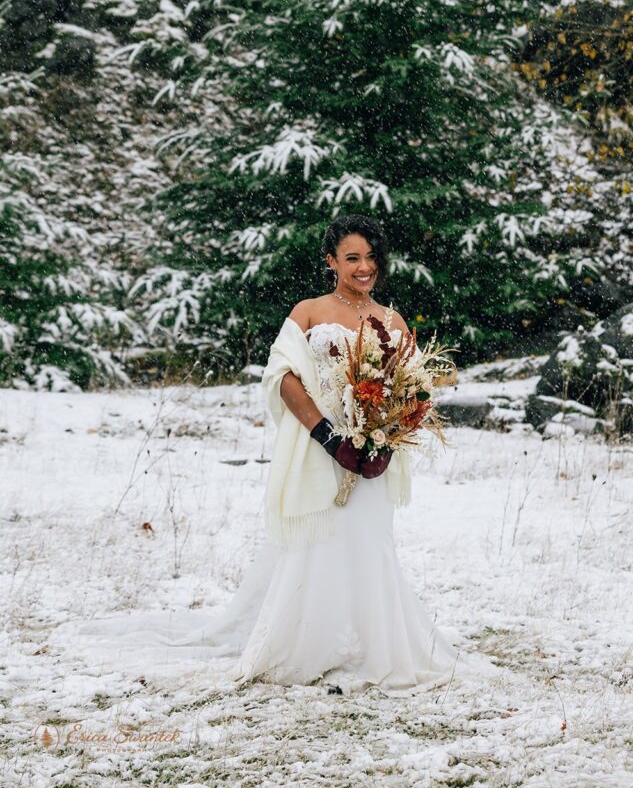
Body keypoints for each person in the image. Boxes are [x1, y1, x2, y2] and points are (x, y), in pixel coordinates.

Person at [49, 213, 463, 694]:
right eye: (352, 257)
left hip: (370, 455)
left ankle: (373, 644)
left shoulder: (392, 321)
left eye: (371, 257)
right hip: (322, 445)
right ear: (331, 261)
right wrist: (329, 436)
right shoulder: (308, 311)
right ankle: (310, 644)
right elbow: (282, 377)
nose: (364, 267)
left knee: (368, 542)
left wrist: (384, 442)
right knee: (320, 541)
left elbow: (413, 390)